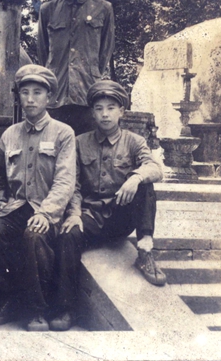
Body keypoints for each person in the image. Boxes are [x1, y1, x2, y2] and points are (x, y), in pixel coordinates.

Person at [49, 80, 166, 332]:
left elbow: (155, 168)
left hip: (120, 216)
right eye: (99, 108)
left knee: (145, 185)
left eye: (111, 108)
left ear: (121, 111)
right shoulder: (79, 142)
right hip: (90, 217)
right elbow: (73, 184)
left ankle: (145, 249)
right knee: (67, 236)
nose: (105, 114)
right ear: (92, 112)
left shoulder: (134, 141)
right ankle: (66, 308)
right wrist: (75, 213)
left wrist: (134, 177)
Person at [0, 65, 76, 332]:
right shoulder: (10, 134)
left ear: (49, 97)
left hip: (48, 209)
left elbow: (65, 180)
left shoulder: (63, 133)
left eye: (37, 92)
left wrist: (46, 213)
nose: (31, 99)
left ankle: (37, 310)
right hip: (16, 207)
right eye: (25, 92)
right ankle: (7, 300)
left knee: (34, 235)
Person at [36, 0, 115, 136]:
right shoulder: (48, 10)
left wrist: (90, 74)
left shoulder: (103, 9)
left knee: (87, 149)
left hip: (88, 96)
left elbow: (104, 53)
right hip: (55, 97)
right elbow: (43, 53)